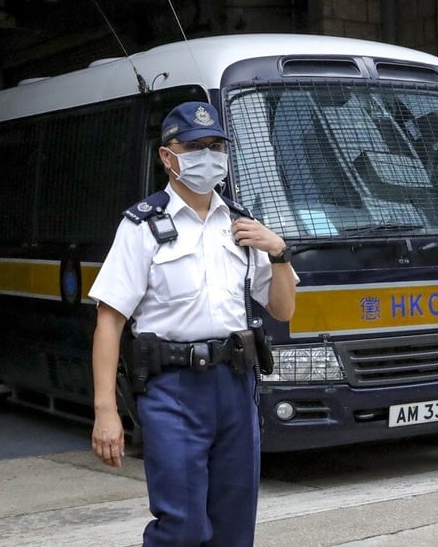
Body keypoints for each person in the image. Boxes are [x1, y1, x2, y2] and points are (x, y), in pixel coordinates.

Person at [89, 101, 298, 546]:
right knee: (181, 526)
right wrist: (105, 410)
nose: (208, 155)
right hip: (173, 391)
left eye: (216, 145)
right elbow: (109, 321)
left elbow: (282, 309)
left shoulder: (242, 225)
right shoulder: (142, 225)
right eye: (195, 146)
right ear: (168, 156)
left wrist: (279, 252)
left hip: (236, 386)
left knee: (234, 525)